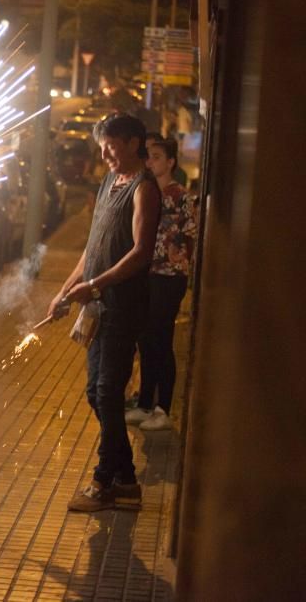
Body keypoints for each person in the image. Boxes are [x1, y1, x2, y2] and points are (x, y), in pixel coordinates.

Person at [48, 113, 161, 513]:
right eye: (102, 146)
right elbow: (93, 247)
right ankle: (126, 481)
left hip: (123, 305)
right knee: (96, 392)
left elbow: (139, 253)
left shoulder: (144, 189)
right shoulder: (110, 182)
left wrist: (93, 286)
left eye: (111, 144)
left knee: (107, 392)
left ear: (133, 143)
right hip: (98, 304)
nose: (104, 153)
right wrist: (65, 289)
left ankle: (103, 480)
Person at [126, 137, 196, 431]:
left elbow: (189, 238)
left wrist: (175, 260)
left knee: (160, 338)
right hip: (146, 273)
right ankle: (144, 403)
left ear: (170, 162)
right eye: (148, 157)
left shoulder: (180, 196)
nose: (150, 162)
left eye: (156, 157)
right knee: (145, 337)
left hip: (169, 276)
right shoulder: (146, 192)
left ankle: (162, 407)